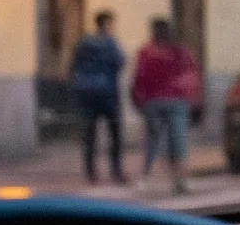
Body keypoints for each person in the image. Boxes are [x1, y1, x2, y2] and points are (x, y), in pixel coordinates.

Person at [130, 18, 201, 196]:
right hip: (177, 101)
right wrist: (192, 97)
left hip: (153, 102)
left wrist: (139, 100)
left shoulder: (146, 51)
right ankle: (181, 182)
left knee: (153, 141)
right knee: (178, 141)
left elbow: (140, 77)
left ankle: (145, 179)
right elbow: (189, 74)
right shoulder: (180, 51)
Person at [68, 10, 126, 185]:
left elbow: (73, 65)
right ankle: (116, 170)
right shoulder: (110, 43)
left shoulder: (83, 42)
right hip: (108, 93)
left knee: (89, 134)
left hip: (87, 93)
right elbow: (120, 62)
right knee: (114, 133)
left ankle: (91, 172)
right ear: (106, 23)